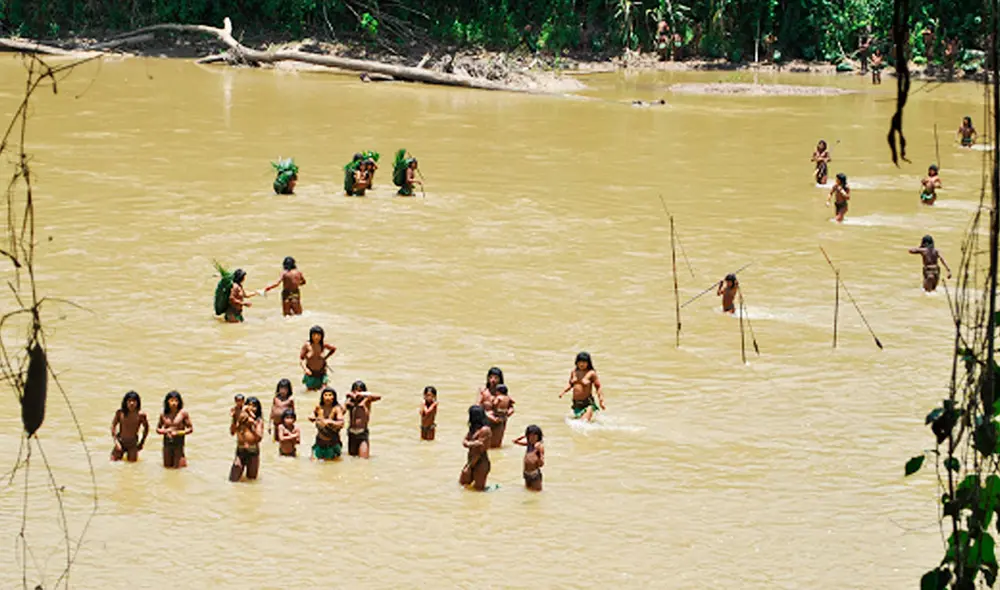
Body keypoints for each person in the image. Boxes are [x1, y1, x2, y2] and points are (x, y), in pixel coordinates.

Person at [559, 351, 606, 421]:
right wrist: (563, 392)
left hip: (588, 403)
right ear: (576, 362)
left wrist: (601, 400)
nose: (581, 364)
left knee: (583, 423)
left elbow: (598, 387)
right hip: (576, 404)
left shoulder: (591, 373)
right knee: (578, 423)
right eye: (580, 362)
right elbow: (570, 384)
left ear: (588, 363)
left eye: (584, 362)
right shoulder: (574, 372)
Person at [230, 396, 264, 482]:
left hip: (253, 451)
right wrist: (234, 419)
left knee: (251, 481)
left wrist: (251, 425)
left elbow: (259, 438)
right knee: (233, 479)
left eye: (254, 406)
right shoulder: (238, 418)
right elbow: (232, 433)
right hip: (240, 449)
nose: (252, 408)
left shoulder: (258, 421)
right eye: (249, 405)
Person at [345, 380, 382, 458]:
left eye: (359, 390)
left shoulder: (367, 400)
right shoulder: (350, 401)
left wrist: (361, 394)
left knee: (363, 460)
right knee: (352, 459)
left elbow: (379, 396)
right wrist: (349, 398)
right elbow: (341, 409)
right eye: (355, 390)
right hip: (351, 434)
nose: (357, 392)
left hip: (362, 434)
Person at [459, 405, 492, 491]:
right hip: (471, 461)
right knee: (462, 484)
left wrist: (469, 466)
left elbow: (480, 448)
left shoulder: (485, 430)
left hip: (480, 462)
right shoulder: (473, 429)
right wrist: (472, 443)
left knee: (478, 490)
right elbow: (464, 442)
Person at [156, 391, 192, 469]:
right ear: (167, 402)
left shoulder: (183, 414)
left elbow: (190, 429)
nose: (174, 403)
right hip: (167, 445)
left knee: (179, 468)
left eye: (176, 400)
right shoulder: (163, 414)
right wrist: (166, 431)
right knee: (167, 469)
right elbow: (158, 429)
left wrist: (178, 433)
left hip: (179, 444)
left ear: (179, 402)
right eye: (171, 400)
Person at [110, 391, 149, 462]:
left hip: (132, 443)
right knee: (113, 463)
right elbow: (113, 426)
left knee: (132, 466)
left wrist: (142, 442)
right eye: (129, 401)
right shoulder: (120, 413)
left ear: (138, 402)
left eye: (134, 401)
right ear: (125, 402)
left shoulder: (141, 415)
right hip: (120, 441)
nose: (132, 403)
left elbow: (146, 428)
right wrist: (116, 442)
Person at [310, 387, 344, 460]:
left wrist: (330, 422)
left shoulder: (337, 409)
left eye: (330, 395)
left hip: (332, 444)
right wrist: (312, 417)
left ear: (334, 397)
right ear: (322, 397)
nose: (328, 397)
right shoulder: (318, 407)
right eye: (326, 395)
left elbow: (341, 423)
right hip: (319, 442)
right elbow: (312, 415)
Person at [300, 325, 337, 391]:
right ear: (310, 335)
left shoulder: (323, 344)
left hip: (322, 373)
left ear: (322, 336)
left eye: (318, 335)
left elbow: (333, 349)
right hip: (310, 374)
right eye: (314, 335)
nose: (316, 337)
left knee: (324, 391)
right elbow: (301, 359)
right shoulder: (307, 345)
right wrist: (305, 369)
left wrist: (326, 357)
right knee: (310, 392)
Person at [513, 425, 545, 492]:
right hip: (526, 473)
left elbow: (541, 464)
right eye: (530, 435)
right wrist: (523, 436)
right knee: (528, 491)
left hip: (535, 474)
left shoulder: (539, 446)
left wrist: (538, 454)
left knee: (536, 493)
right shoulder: (528, 444)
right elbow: (515, 441)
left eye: (534, 436)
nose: (532, 438)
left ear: (538, 436)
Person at [487, 384, 515, 448]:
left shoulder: (499, 397)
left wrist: (492, 400)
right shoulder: (508, 397)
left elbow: (495, 403)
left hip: (497, 413)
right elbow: (513, 402)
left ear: (498, 391)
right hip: (504, 414)